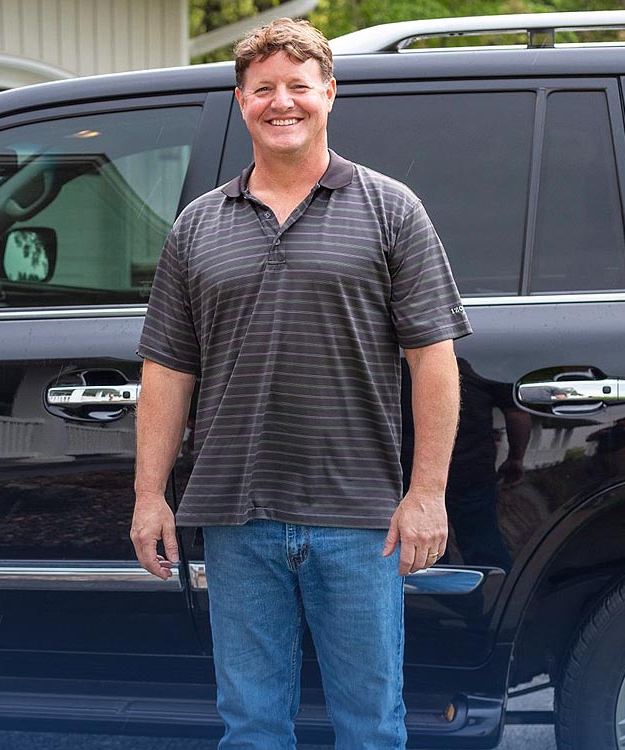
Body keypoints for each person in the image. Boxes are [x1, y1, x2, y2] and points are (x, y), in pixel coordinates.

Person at [128, 18, 471, 749]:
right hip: (236, 516)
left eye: (298, 86)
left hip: (360, 521)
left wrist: (427, 493)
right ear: (241, 100)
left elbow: (433, 361)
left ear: (329, 94)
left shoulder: (390, 209)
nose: (281, 102)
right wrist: (150, 494)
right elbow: (167, 370)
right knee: (251, 728)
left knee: (371, 728)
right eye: (263, 89)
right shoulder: (198, 225)